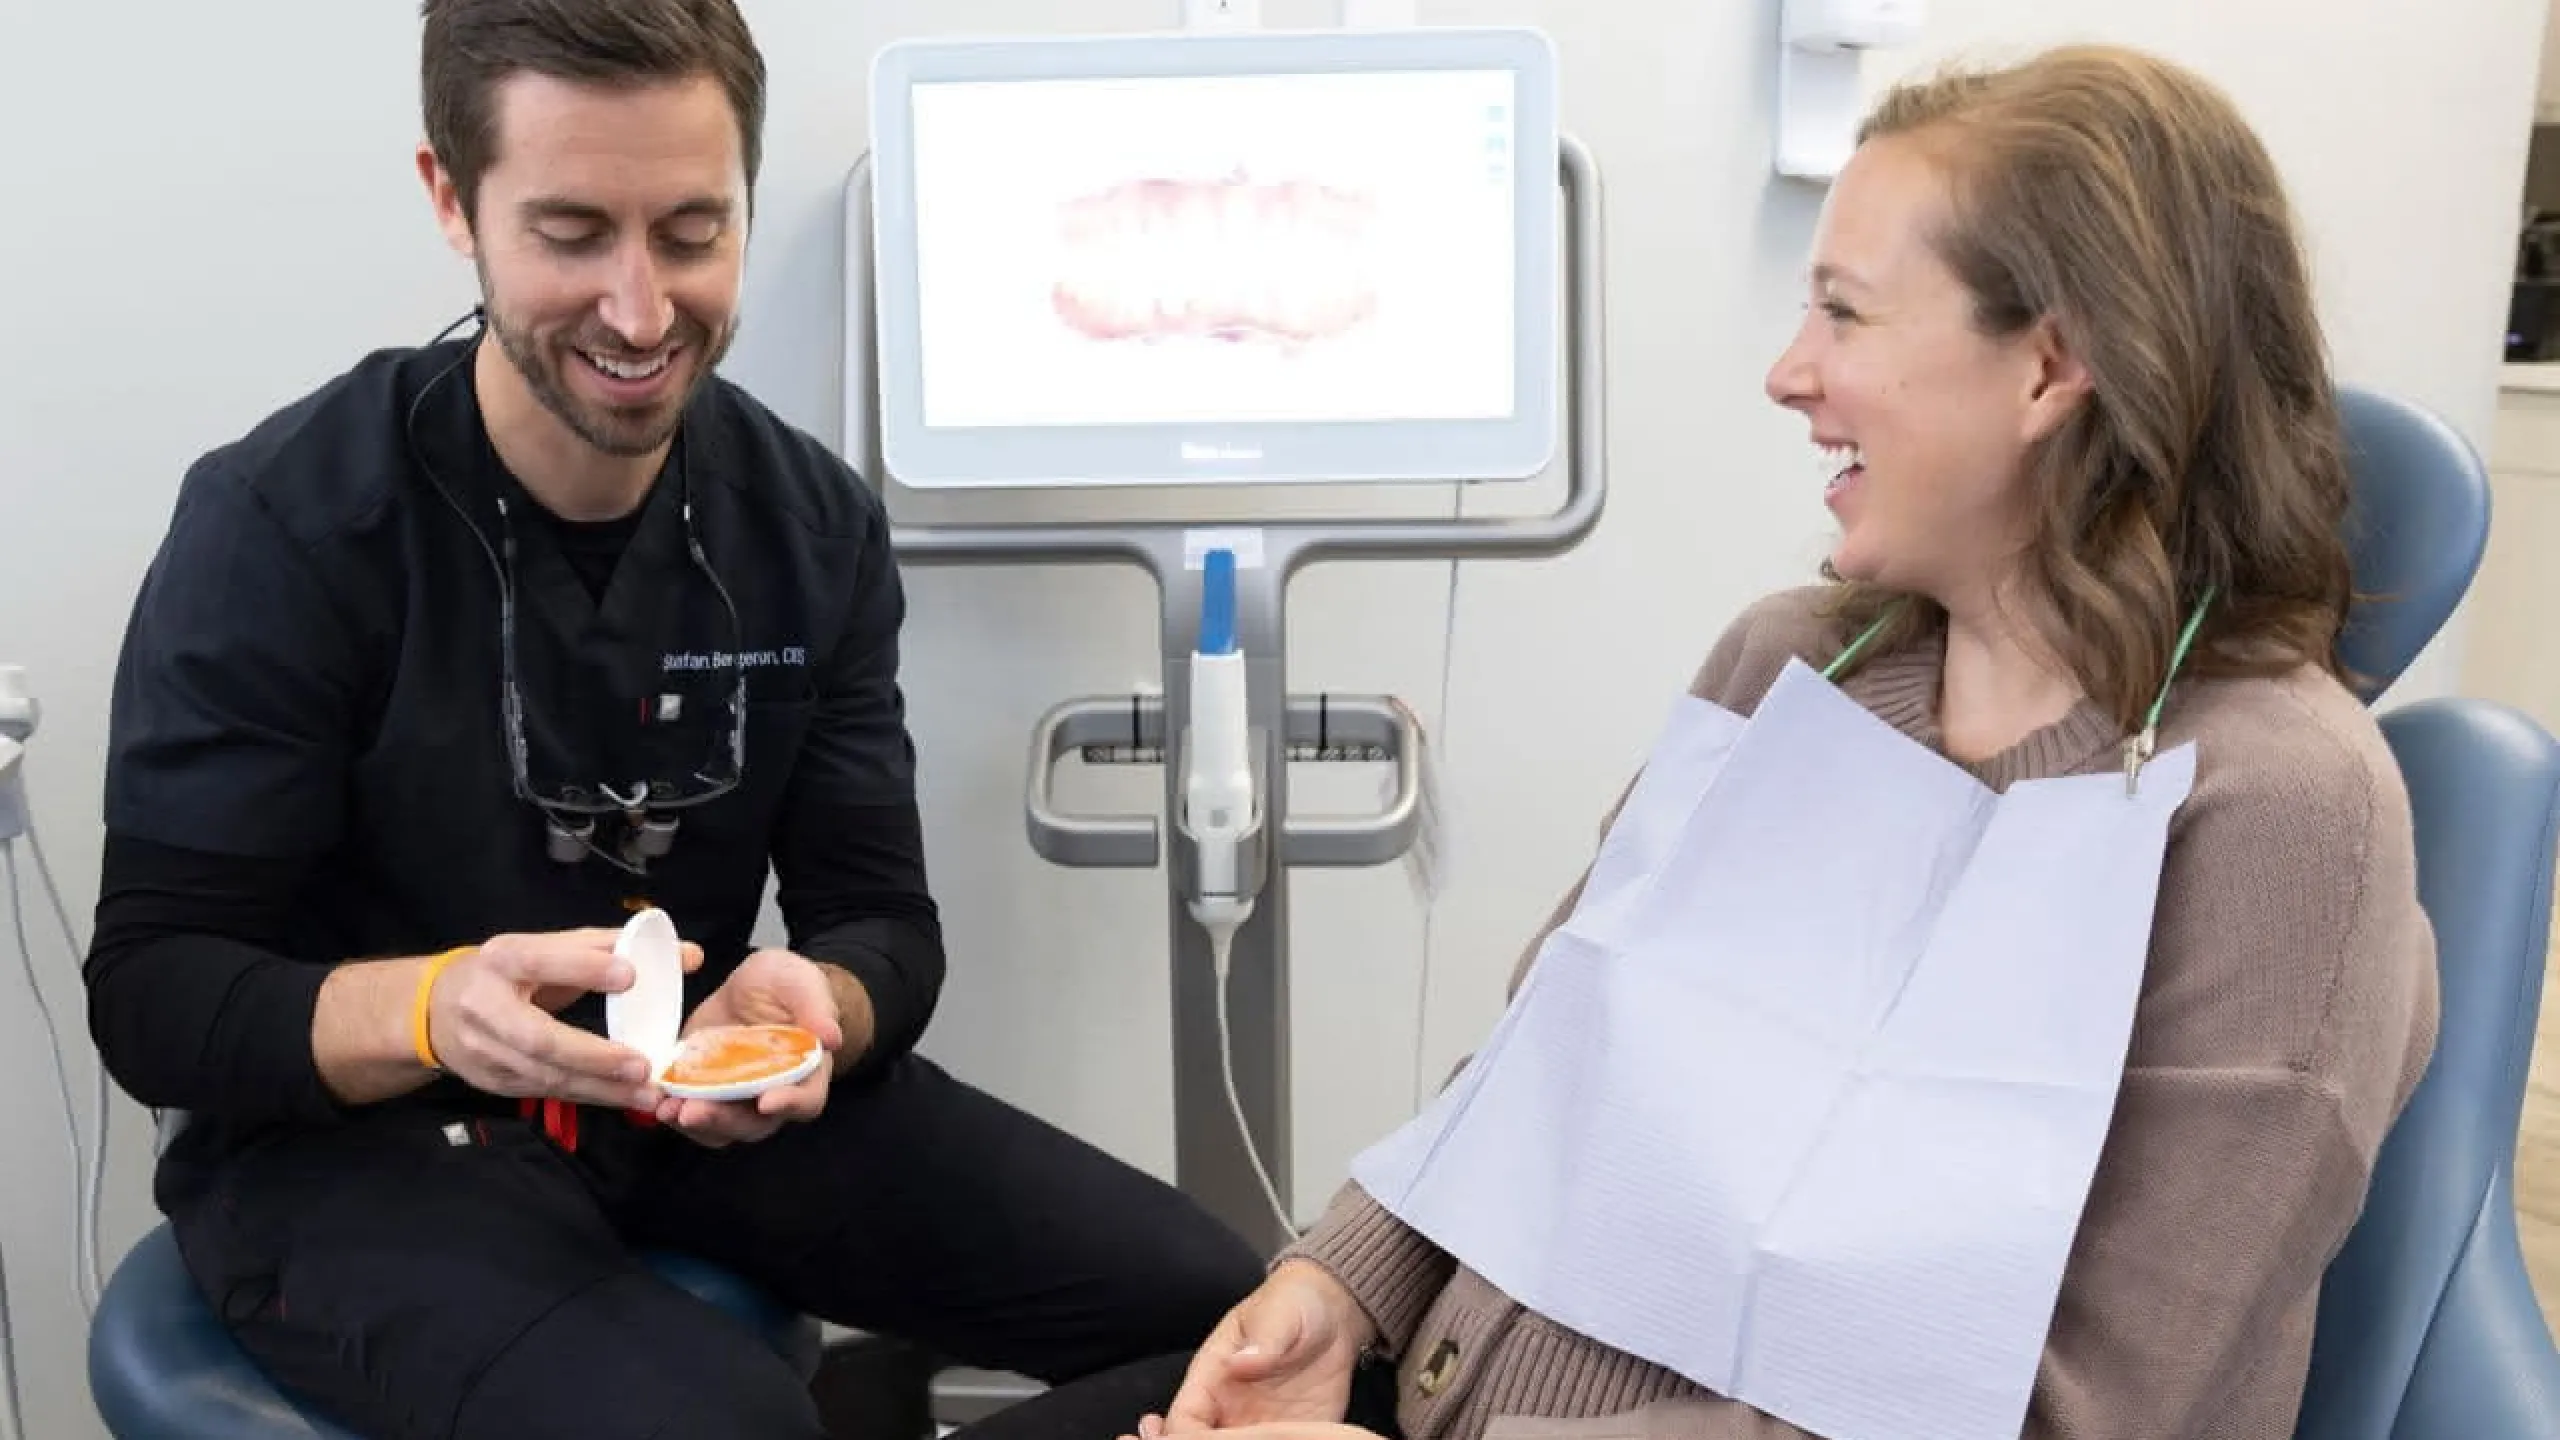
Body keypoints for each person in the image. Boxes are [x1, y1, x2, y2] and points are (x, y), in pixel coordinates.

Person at [944, 42, 2441, 1440]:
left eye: (1844, 313)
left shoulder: (2278, 808)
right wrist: (1338, 1287)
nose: (1790, 373)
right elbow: (1542, 1071)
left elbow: (2088, 1410)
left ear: (2051, 369)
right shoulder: (1799, 665)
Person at [82, 2, 1265, 1436]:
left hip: (687, 1100)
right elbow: (155, 995)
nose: (641, 313)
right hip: (353, 1151)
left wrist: (823, 1005)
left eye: (692, 234)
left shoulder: (808, 526)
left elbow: (886, 922)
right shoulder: (286, 527)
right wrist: (432, 1010)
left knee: (1233, 1320)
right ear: (452, 199)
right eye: (572, 233)